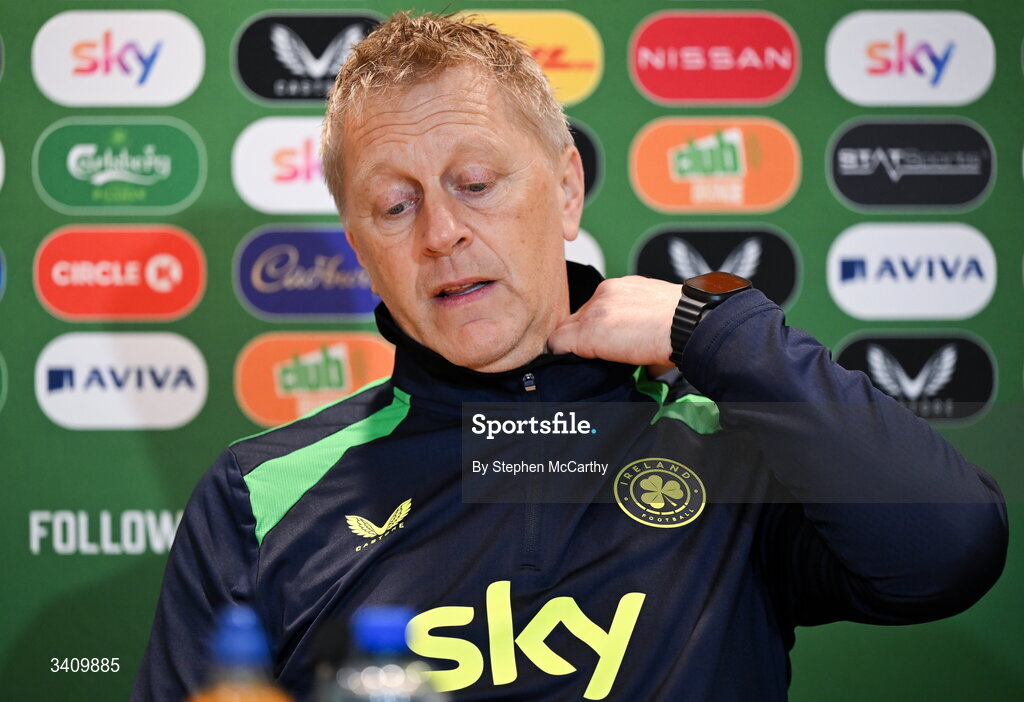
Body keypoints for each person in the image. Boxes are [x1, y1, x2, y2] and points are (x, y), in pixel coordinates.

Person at [132, 12, 1007, 702]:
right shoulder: (260, 493)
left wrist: (719, 333)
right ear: (359, 245)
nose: (443, 234)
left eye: (475, 184)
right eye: (394, 207)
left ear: (564, 189)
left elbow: (947, 553)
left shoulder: (724, 436)